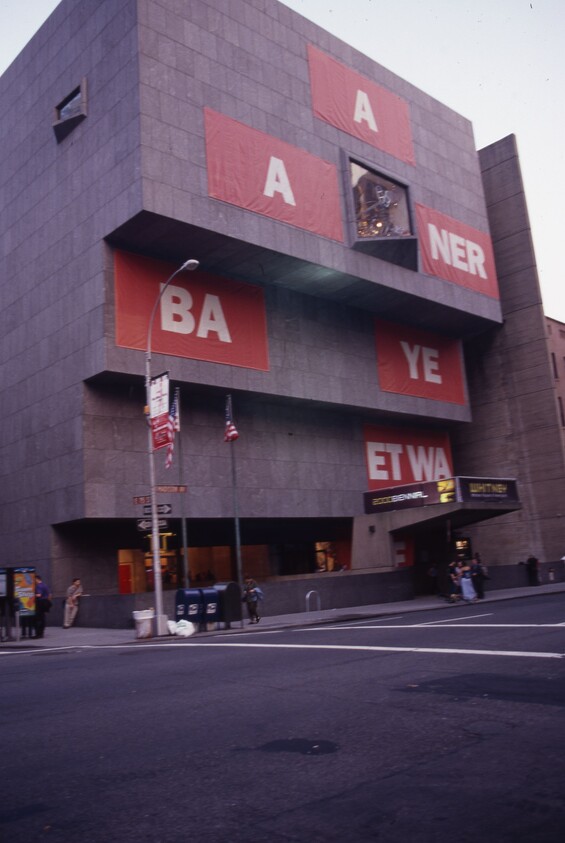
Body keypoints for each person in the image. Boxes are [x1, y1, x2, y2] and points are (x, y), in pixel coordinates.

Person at [34, 574, 52, 639]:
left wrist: (32, 595)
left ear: (37, 579)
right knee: (43, 618)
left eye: (34, 580)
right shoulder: (45, 585)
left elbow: (39, 595)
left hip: (40, 603)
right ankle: (41, 633)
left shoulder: (38, 586)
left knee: (38, 619)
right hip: (45, 603)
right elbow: (49, 594)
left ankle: (38, 634)